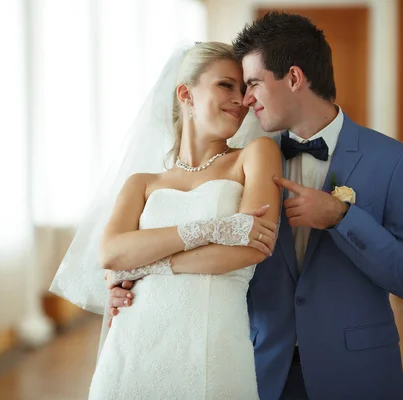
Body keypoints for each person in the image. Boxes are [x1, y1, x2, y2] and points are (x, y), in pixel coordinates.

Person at [109, 12, 403, 399]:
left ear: (295, 78)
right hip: (258, 365)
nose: (246, 100)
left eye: (252, 83)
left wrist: (342, 217)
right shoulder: (245, 160)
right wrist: (136, 280)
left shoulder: (394, 160)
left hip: (358, 372)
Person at [52, 41, 282, 399]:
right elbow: (111, 254)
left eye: (245, 89)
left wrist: (146, 264)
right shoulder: (142, 183)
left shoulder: (254, 155)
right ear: (185, 93)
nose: (241, 100)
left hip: (212, 343)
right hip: (133, 344)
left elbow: (250, 248)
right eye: (226, 85)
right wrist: (213, 230)